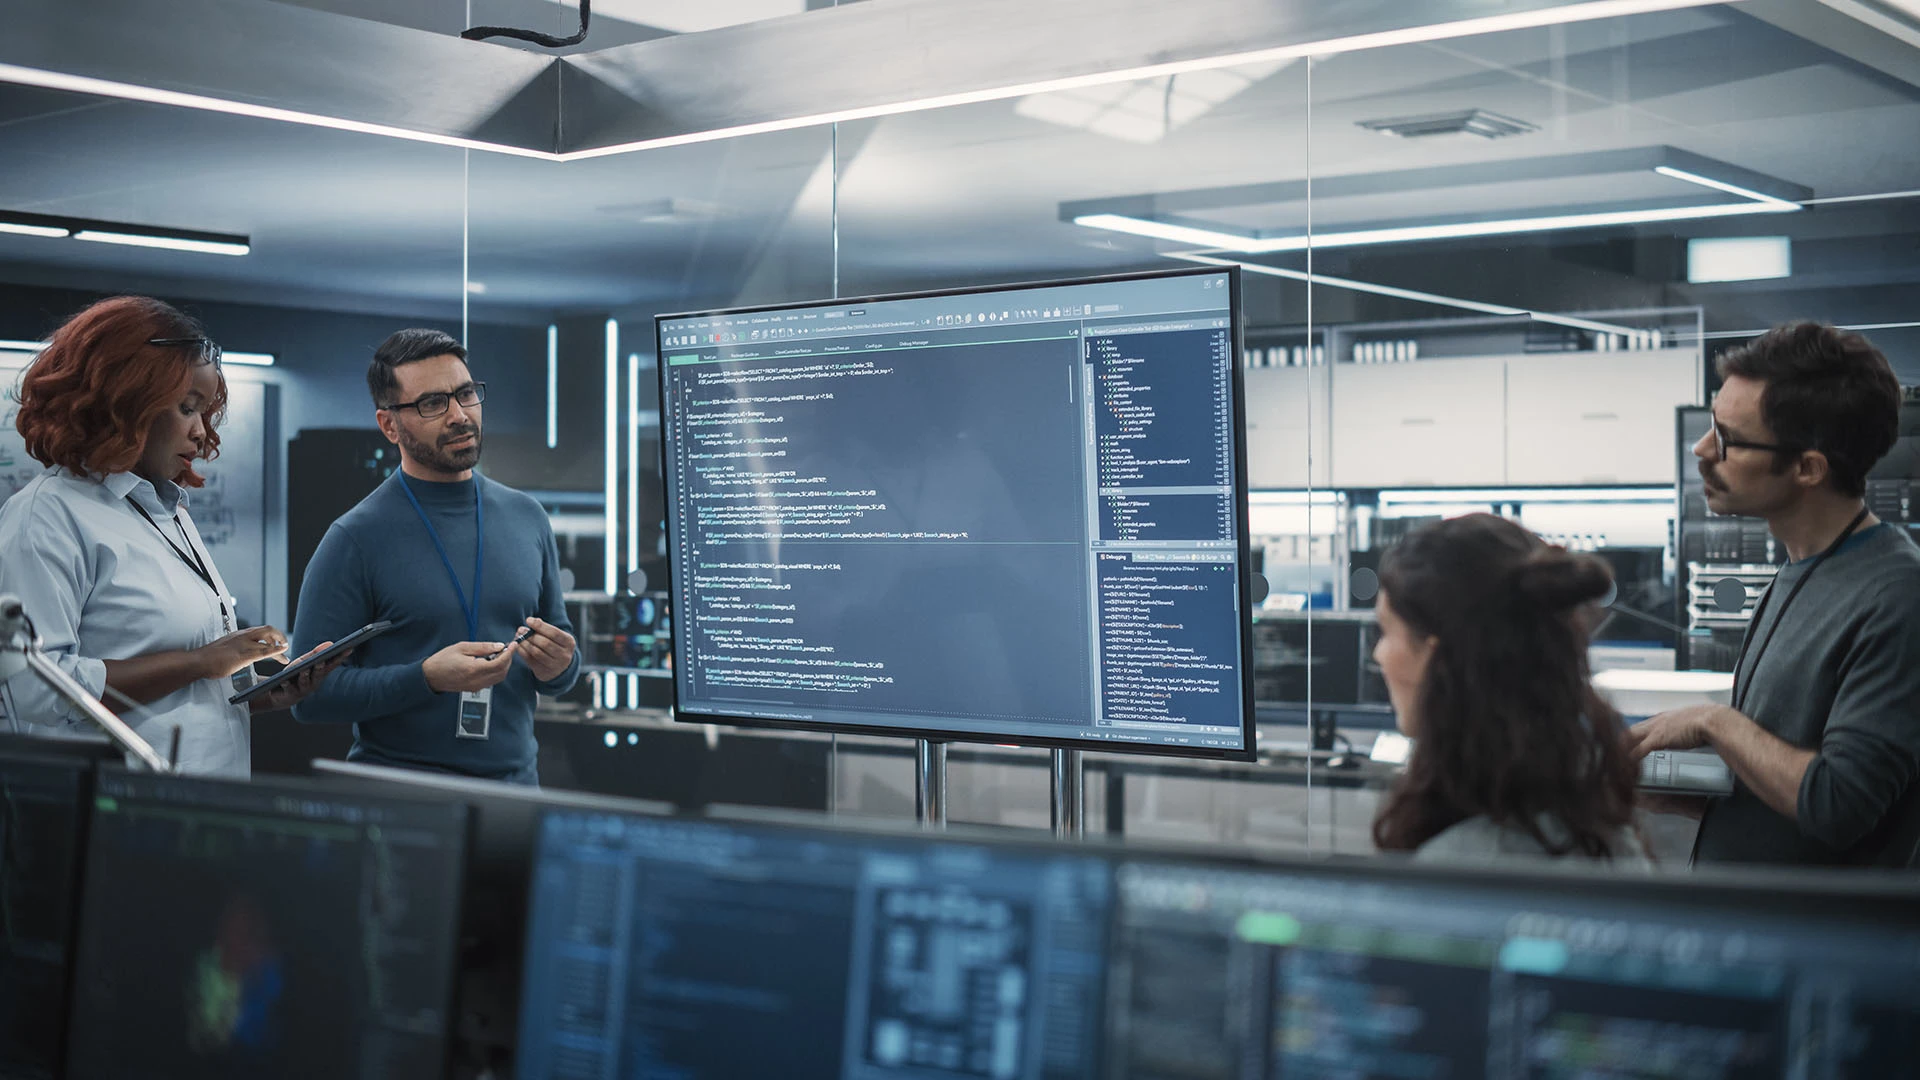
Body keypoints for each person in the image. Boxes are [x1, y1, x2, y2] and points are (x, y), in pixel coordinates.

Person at [0, 296, 343, 776]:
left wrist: (253, 693)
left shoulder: (166, 510)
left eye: (205, 412)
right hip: (112, 815)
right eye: (187, 409)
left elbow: (179, 696)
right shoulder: (48, 514)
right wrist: (202, 663)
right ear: (125, 400)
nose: (202, 433)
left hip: (200, 807)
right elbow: (35, 689)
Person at [1628, 322, 1920, 867]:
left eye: (1728, 439)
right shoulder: (1798, 569)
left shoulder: (1898, 596)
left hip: (1813, 944)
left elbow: (1837, 804)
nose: (1701, 448)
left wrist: (1712, 722)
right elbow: (1788, 789)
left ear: (1808, 468)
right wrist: (1684, 800)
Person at [290, 328, 579, 785]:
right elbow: (309, 697)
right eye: (432, 403)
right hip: (401, 796)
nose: (460, 415)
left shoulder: (528, 518)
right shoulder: (355, 537)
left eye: (466, 394)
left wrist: (563, 665)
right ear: (390, 425)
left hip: (515, 789)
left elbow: (558, 657)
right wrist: (424, 677)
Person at [1370, 513, 1650, 866]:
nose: (1378, 655)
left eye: (1386, 630)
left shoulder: (1461, 867)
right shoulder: (1602, 833)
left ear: (1434, 655)